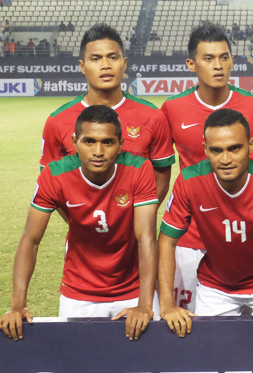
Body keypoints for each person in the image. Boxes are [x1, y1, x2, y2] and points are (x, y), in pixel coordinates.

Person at [0, 106, 159, 341]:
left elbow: (146, 237)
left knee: (148, 357)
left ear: (121, 144)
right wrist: (17, 305)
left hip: (133, 289)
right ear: (75, 142)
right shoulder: (55, 175)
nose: (98, 151)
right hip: (79, 292)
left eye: (107, 142)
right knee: (76, 357)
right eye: (89, 141)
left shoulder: (139, 169)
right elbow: (30, 239)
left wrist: (144, 304)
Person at [158, 109, 253, 337]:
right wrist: (166, 305)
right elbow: (166, 241)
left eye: (234, 148)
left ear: (251, 145)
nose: (225, 159)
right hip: (216, 286)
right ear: (205, 149)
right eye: (216, 150)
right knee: (210, 352)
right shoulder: (189, 181)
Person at [160, 21, 253, 312]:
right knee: (188, 325)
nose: (218, 65)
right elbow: (159, 169)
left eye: (224, 57)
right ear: (191, 64)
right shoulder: (172, 109)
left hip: (245, 235)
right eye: (208, 58)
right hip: (191, 238)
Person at [40, 23, 175, 201]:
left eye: (113, 57)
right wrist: (79, 216)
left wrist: (139, 215)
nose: (105, 65)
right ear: (82, 66)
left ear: (124, 63)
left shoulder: (153, 116)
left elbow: (161, 178)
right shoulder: (57, 121)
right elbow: (49, 181)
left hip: (136, 218)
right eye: (96, 59)